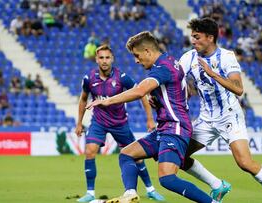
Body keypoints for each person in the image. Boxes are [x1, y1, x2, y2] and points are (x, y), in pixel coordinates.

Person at [87, 31, 216, 203]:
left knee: (167, 178)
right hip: (166, 127)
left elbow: (140, 90)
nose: (136, 61)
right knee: (126, 154)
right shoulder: (170, 61)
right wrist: (161, 102)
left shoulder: (162, 68)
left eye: (137, 56)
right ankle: (130, 194)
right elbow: (181, 93)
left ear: (148, 51)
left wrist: (108, 101)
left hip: (175, 128)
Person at [177, 17, 262, 203]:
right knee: (179, 156)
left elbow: (239, 89)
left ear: (210, 37)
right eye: (192, 37)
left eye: (197, 37)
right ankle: (217, 185)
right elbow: (175, 78)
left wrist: (213, 74)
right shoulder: (188, 57)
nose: (193, 41)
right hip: (206, 119)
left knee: (244, 163)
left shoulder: (226, 56)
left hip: (230, 116)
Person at [75, 44, 164, 202]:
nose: (104, 61)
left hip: (120, 123)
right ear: (96, 59)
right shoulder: (89, 78)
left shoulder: (122, 77)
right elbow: (83, 99)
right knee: (89, 151)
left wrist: (150, 118)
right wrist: (79, 123)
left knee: (137, 157)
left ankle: (150, 189)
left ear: (112, 59)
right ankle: (90, 193)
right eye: (101, 57)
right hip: (99, 122)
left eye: (107, 57)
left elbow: (142, 95)